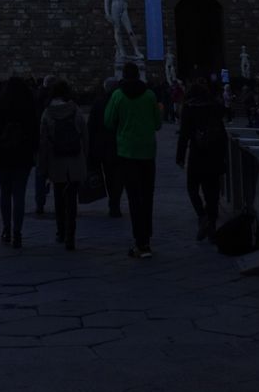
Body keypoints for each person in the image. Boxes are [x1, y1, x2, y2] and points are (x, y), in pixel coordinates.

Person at [104, 62, 161, 258]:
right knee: (147, 196)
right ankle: (146, 237)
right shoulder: (150, 95)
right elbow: (158, 123)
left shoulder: (118, 95)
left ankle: (140, 242)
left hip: (127, 153)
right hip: (147, 153)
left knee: (134, 198)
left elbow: (108, 121)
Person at [0, 75, 40, 248]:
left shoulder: (0, 105)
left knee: (5, 193)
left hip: (3, 155)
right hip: (23, 156)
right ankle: (18, 232)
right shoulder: (29, 107)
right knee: (19, 194)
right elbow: (35, 132)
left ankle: (6, 229)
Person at [175, 78, 228, 240]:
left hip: (197, 154)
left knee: (192, 187)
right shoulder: (215, 106)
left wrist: (180, 156)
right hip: (214, 154)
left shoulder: (189, 108)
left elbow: (184, 134)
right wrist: (224, 154)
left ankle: (202, 215)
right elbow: (222, 131)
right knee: (212, 191)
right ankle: (211, 223)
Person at [38, 80, 87, 251]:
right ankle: (71, 235)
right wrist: (86, 158)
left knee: (59, 196)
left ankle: (60, 231)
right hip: (74, 160)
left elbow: (43, 141)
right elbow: (84, 134)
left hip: (56, 160)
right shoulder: (76, 110)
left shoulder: (47, 113)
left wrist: (42, 166)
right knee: (72, 199)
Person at [88, 76, 124, 217]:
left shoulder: (98, 103)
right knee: (119, 176)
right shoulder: (121, 102)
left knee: (109, 176)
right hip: (119, 145)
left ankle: (113, 201)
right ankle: (115, 201)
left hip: (103, 146)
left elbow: (91, 127)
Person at [33, 74, 57, 215]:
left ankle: (39, 203)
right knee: (59, 173)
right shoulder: (61, 102)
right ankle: (60, 203)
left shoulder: (36, 97)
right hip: (56, 143)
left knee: (40, 173)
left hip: (40, 141)